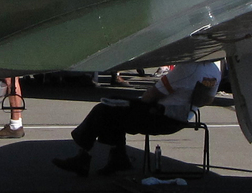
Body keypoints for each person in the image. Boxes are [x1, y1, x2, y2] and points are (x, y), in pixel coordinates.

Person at [54, 59, 223, 176]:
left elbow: (151, 95)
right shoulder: (214, 71)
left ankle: (84, 157)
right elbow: (208, 99)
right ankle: (117, 158)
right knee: (114, 107)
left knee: (104, 109)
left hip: (161, 117)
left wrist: (142, 101)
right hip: (183, 117)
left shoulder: (188, 68)